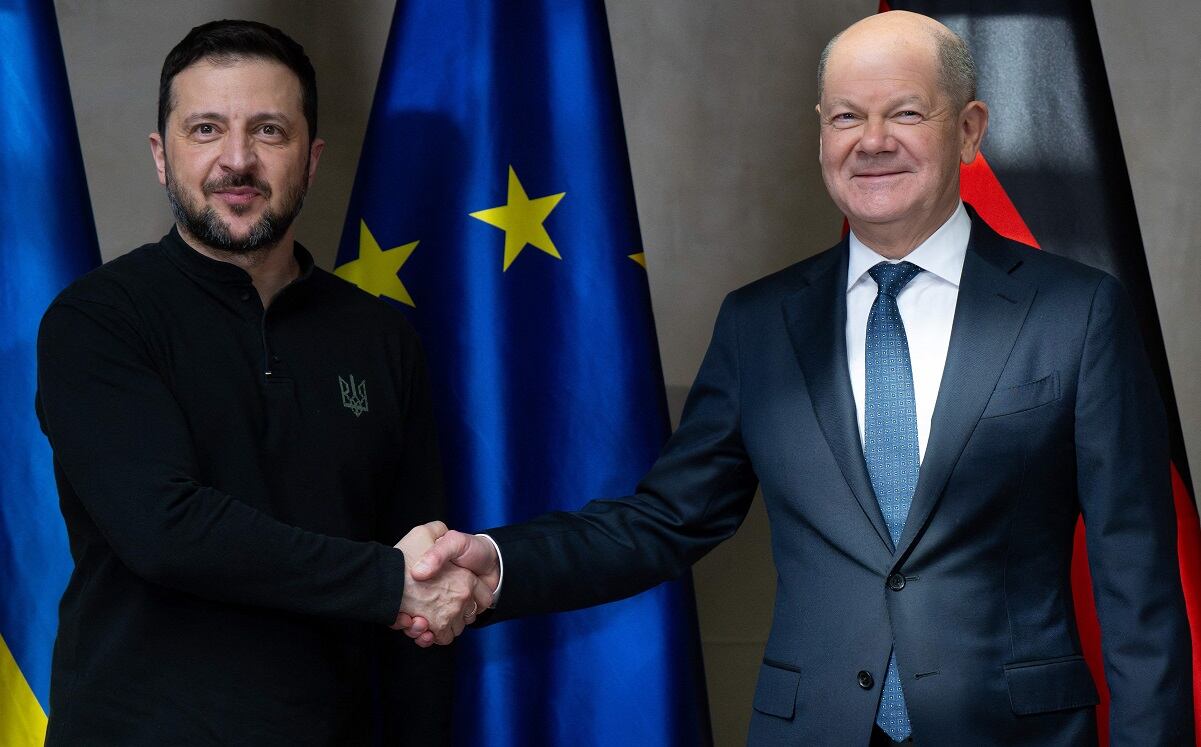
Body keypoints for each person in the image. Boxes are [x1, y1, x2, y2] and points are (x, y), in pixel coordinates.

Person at [401, 10, 1192, 745]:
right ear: (820, 133)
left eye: (904, 113)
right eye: (846, 116)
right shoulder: (758, 323)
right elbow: (663, 520)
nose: (871, 141)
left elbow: (1137, 581)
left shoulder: (1076, 312)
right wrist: (497, 563)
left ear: (968, 129)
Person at [35, 19, 489, 745]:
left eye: (269, 131)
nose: (237, 159)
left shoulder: (381, 337)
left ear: (311, 159)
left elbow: (423, 570)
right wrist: (384, 580)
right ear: (161, 156)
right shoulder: (98, 319)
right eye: (206, 129)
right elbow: (165, 530)